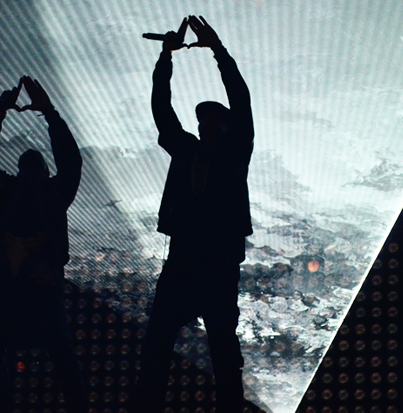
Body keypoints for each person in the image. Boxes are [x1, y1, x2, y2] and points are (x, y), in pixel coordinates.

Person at [135, 16, 254, 412]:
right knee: (157, 344)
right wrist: (165, 58)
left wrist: (218, 51)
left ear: (227, 125)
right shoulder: (186, 150)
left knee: (223, 350)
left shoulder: (236, 149)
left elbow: (241, 99)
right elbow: (161, 109)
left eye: (213, 118)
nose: (205, 123)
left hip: (218, 262)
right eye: (202, 118)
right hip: (183, 259)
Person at [0, 76, 85, 412]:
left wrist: (3, 113)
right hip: (12, 281)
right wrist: (46, 114)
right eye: (27, 168)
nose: (30, 173)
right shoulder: (32, 192)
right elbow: (70, 163)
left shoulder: (21, 192)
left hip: (29, 281)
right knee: (1, 349)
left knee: (51, 351)